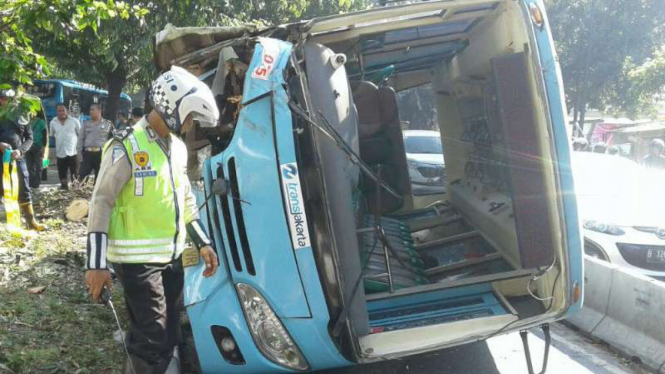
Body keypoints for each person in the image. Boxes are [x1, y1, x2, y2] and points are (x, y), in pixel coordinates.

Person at [84, 66, 220, 374]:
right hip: (136, 261)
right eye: (188, 117)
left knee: (169, 332)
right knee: (154, 336)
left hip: (170, 258)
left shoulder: (178, 149)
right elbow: (101, 201)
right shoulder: (127, 145)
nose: (189, 125)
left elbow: (185, 199)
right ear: (172, 107)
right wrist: (95, 265)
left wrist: (203, 242)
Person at [0, 108, 46, 231]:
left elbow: (29, 138)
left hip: (17, 159)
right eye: (2, 98)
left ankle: (31, 222)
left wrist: (20, 151)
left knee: (24, 189)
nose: (4, 101)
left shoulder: (22, 115)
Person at [78, 103, 114, 182]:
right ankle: (81, 193)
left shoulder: (108, 124)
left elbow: (112, 141)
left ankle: (96, 193)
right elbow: (81, 139)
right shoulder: (86, 124)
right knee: (82, 176)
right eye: (90, 110)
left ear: (99, 111)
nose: (90, 111)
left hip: (101, 154)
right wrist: (80, 154)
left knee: (99, 178)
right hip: (87, 154)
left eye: (92, 109)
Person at [49, 104, 80, 190]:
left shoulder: (74, 121)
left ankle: (75, 189)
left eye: (63, 110)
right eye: (59, 111)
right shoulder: (53, 122)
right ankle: (64, 188)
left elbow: (80, 134)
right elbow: (52, 135)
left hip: (73, 152)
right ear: (56, 112)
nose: (61, 112)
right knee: (62, 173)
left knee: (75, 173)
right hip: (60, 152)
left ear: (67, 111)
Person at [25, 111, 48, 188]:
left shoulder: (41, 122)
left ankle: (37, 183)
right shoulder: (26, 121)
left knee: (38, 166)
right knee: (29, 166)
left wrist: (43, 146)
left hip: (39, 146)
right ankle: (31, 182)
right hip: (28, 147)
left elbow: (44, 134)